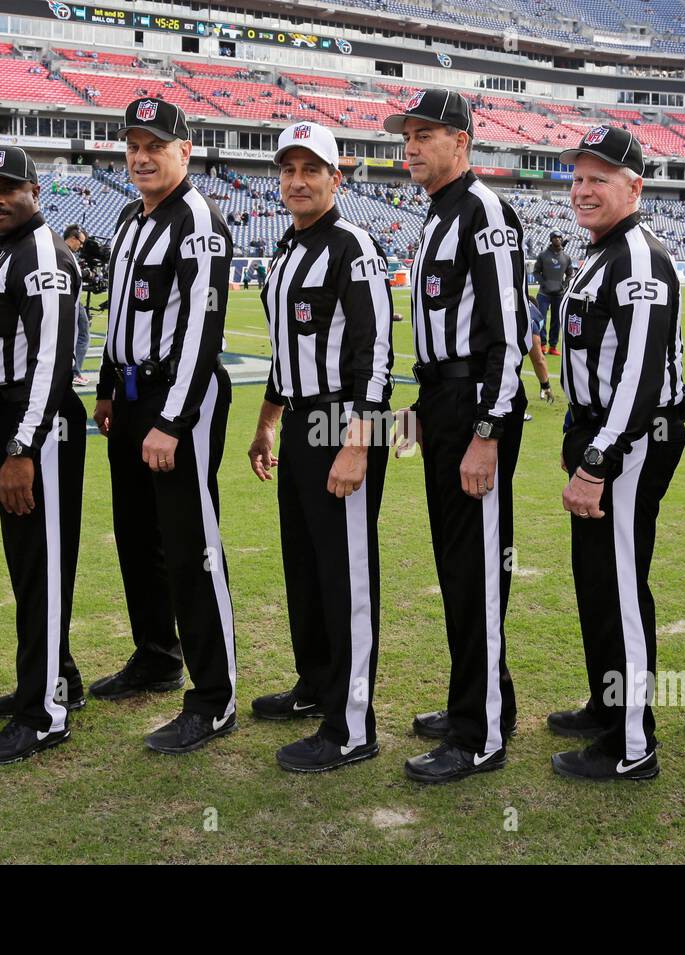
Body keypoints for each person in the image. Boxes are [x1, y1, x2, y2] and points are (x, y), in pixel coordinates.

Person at [384, 88, 528, 783]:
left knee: (474, 569)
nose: (410, 145)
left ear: (463, 141)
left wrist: (488, 431)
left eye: (426, 133)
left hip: (476, 399)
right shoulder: (437, 212)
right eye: (406, 135)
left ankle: (480, 734)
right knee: (456, 566)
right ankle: (481, 698)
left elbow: (508, 333)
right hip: (443, 395)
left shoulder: (485, 211)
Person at [90, 99, 239, 755]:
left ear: (185, 150)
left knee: (189, 544)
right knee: (136, 534)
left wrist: (171, 420)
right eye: (133, 144)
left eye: (156, 144)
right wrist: (103, 387)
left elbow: (203, 333)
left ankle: (214, 697)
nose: (142, 156)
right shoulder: (129, 218)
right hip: (130, 394)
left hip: (179, 397)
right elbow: (120, 312)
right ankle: (156, 653)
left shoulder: (199, 221)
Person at [246, 122, 395, 773]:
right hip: (303, 420)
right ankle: (316, 686)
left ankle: (353, 723)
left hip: (344, 421)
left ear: (338, 178)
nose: (298, 181)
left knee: (345, 575)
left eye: (312, 169)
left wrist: (358, 441)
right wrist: (268, 420)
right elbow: (288, 353)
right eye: (289, 169)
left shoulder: (350, 245)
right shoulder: (288, 248)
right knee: (305, 567)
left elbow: (375, 352)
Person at [546, 127, 685, 782]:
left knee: (621, 586)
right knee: (596, 580)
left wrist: (598, 459)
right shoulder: (603, 251)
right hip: (600, 430)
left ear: (635, 185)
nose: (583, 189)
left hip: (626, 437)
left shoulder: (637, 256)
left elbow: (642, 374)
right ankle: (609, 707)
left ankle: (632, 743)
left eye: (598, 178)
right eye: (577, 177)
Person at [0, 146, 88, 765]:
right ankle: (56, 678)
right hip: (11, 418)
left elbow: (51, 361)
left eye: (7, 187)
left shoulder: (42, 253)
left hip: (40, 427)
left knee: (42, 566)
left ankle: (45, 714)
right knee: (28, 562)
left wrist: (21, 445)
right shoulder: (3, 252)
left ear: (35, 189)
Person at [532, 231, 572, 355]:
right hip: (544, 293)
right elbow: (536, 272)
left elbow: (570, 274)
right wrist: (543, 283)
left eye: (560, 237)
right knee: (541, 319)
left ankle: (553, 347)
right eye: (555, 237)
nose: (557, 239)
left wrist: (564, 285)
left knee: (556, 321)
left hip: (559, 294)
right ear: (550, 239)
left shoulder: (566, 257)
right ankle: (542, 345)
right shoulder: (543, 255)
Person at [61, 224, 91, 384]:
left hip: (69, 300)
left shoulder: (60, 251)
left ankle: (72, 371)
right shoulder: (65, 253)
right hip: (71, 300)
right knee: (83, 335)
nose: (81, 246)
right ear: (73, 238)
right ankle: (74, 372)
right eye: (80, 242)